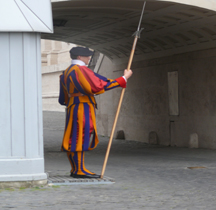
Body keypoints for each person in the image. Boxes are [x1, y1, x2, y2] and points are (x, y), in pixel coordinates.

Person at [58, 46, 133, 178]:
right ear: (80, 57)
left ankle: (76, 169)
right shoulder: (81, 70)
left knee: (74, 136)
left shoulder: (65, 72)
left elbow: (62, 99)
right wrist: (123, 79)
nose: (89, 58)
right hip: (83, 106)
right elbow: (98, 86)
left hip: (72, 107)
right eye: (86, 56)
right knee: (80, 136)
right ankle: (79, 170)